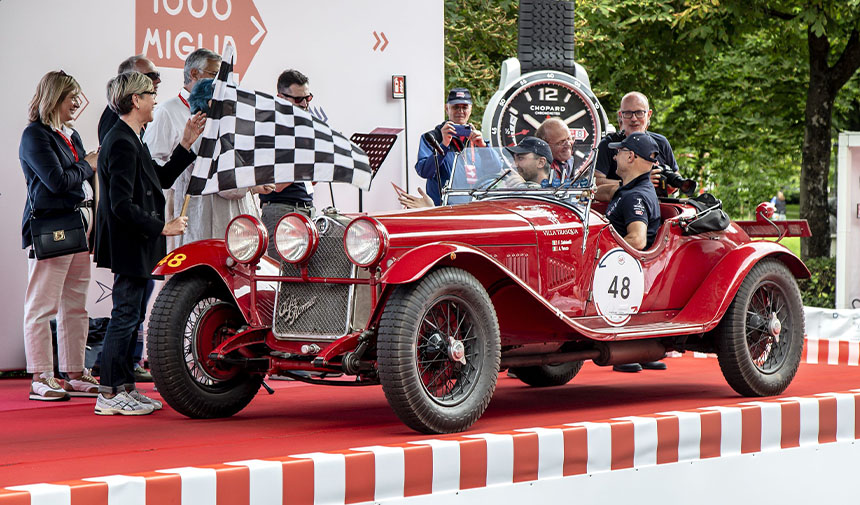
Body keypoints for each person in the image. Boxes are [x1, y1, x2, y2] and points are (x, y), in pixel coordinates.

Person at [94, 71, 206, 415]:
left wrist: (185, 144)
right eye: (150, 94)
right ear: (134, 101)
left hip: (137, 243)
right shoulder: (122, 141)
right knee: (125, 315)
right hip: (132, 242)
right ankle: (110, 393)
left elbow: (158, 180)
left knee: (132, 315)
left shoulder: (131, 138)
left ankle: (125, 386)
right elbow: (121, 205)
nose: (155, 99)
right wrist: (162, 227)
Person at [20, 70, 100, 401]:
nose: (77, 103)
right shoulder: (35, 135)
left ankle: (75, 372)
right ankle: (41, 375)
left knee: (76, 304)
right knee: (42, 305)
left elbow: (76, 175)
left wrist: (84, 166)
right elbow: (56, 180)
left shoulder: (71, 134)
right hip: (52, 225)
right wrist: (88, 164)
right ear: (55, 98)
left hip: (80, 222)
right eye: (71, 97)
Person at [603, 132, 666, 373]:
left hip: (624, 277)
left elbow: (638, 240)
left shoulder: (635, 196)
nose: (615, 156)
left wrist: (601, 253)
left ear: (630, 156)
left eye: (618, 152)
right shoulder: (634, 189)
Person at [398, 136, 552, 208]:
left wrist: (523, 189)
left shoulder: (556, 193)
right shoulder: (512, 185)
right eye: (515, 158)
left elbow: (543, 205)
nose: (515, 164)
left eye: (521, 158)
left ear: (541, 162)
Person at [260, 69, 317, 258]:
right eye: (299, 99)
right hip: (282, 210)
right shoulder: (270, 129)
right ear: (280, 98)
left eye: (308, 98)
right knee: (282, 276)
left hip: (305, 207)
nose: (305, 104)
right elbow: (276, 185)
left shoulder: (301, 126)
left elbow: (307, 179)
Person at [594, 92, 678, 201]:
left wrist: (668, 183)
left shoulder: (661, 142)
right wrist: (640, 181)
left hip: (656, 208)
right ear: (621, 115)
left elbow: (675, 181)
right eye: (628, 113)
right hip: (619, 209)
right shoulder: (608, 144)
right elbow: (596, 182)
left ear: (649, 115)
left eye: (639, 113)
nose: (634, 119)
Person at [415, 87, 487, 205]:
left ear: (471, 109)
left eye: (464, 107)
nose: (460, 111)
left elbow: (497, 171)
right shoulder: (432, 138)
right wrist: (444, 145)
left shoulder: (478, 139)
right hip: (442, 211)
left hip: (474, 209)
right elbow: (424, 172)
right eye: (455, 107)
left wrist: (484, 148)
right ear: (446, 108)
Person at [97, 55, 162, 144]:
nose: (158, 80)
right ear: (131, 78)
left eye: (158, 75)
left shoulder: (137, 120)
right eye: (152, 76)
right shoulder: (113, 115)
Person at [535, 117, 587, 184]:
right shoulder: (537, 167)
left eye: (569, 138)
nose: (568, 145)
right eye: (561, 142)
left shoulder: (573, 161)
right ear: (545, 144)